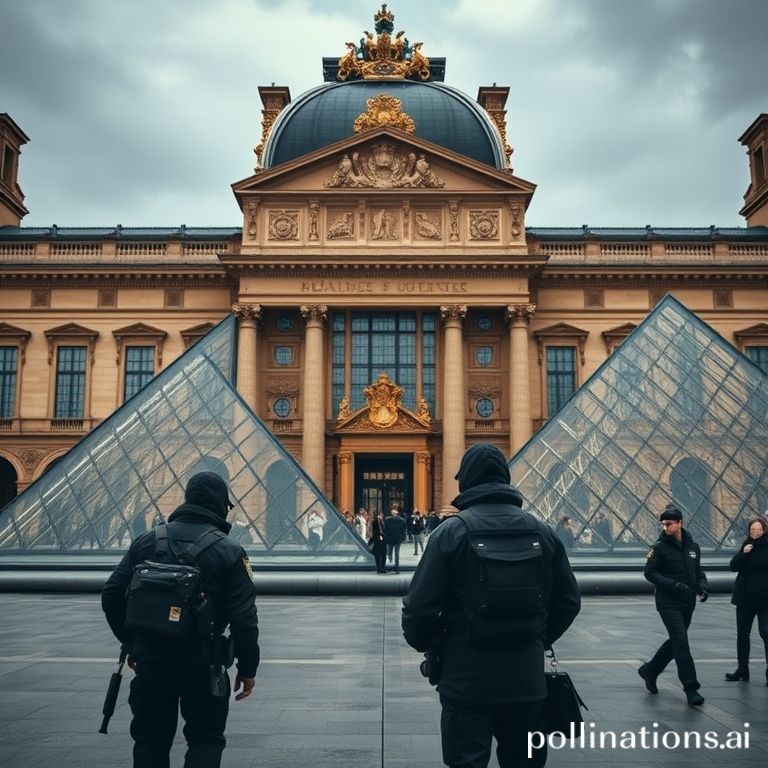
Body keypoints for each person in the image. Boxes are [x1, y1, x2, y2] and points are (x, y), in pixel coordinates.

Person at [402, 443, 581, 768]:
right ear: (504, 478)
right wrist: (537, 637)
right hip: (527, 681)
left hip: (465, 680)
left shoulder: (450, 533)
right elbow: (568, 602)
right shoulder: (542, 531)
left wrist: (434, 644)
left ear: (465, 482)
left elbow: (418, 609)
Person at [101, 471, 260, 768]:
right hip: (203, 664)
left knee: (150, 741)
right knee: (205, 740)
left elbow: (111, 595)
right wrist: (247, 668)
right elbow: (244, 619)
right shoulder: (230, 551)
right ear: (219, 505)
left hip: (151, 661)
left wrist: (133, 643)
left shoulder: (147, 541)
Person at [639, 502, 709, 706]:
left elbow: (698, 571)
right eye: (662, 524)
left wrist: (703, 586)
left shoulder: (693, 548)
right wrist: (674, 585)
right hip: (668, 602)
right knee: (681, 642)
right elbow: (649, 573)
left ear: (680, 523)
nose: (664, 527)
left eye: (668, 524)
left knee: (677, 641)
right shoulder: (657, 548)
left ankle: (650, 670)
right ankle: (691, 688)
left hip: (687, 602)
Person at [726, 516, 768, 684]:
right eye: (752, 530)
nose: (755, 532)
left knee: (766, 633)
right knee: (742, 635)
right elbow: (733, 566)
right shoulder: (746, 546)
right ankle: (742, 669)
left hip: (764, 598)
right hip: (744, 598)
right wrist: (743, 553)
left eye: (758, 530)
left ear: (764, 530)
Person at [384, 504, 407, 573]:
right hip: (398, 538)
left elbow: (385, 529)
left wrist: (386, 537)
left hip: (390, 538)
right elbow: (404, 530)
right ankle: (396, 568)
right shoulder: (402, 520)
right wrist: (403, 537)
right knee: (397, 553)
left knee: (389, 552)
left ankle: (390, 560)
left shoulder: (387, 520)